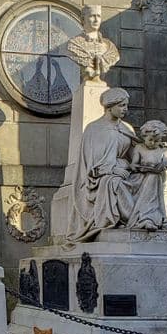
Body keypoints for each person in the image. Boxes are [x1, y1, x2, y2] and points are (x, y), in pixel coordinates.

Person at [66, 87, 139, 243]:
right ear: (109, 107)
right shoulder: (94, 129)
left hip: (126, 170)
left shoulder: (127, 129)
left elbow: (135, 156)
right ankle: (135, 219)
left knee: (155, 178)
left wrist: (153, 160)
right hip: (99, 178)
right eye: (121, 105)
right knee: (114, 182)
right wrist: (114, 169)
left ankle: (150, 218)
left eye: (126, 105)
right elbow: (93, 166)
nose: (125, 109)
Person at [127, 120, 167, 231]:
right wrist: (139, 168)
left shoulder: (163, 149)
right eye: (150, 140)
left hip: (159, 177)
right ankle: (151, 219)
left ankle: (151, 219)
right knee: (152, 179)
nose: (153, 143)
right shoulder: (139, 148)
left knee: (154, 179)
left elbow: (166, 162)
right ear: (144, 137)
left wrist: (164, 164)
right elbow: (133, 164)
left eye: (157, 141)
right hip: (141, 177)